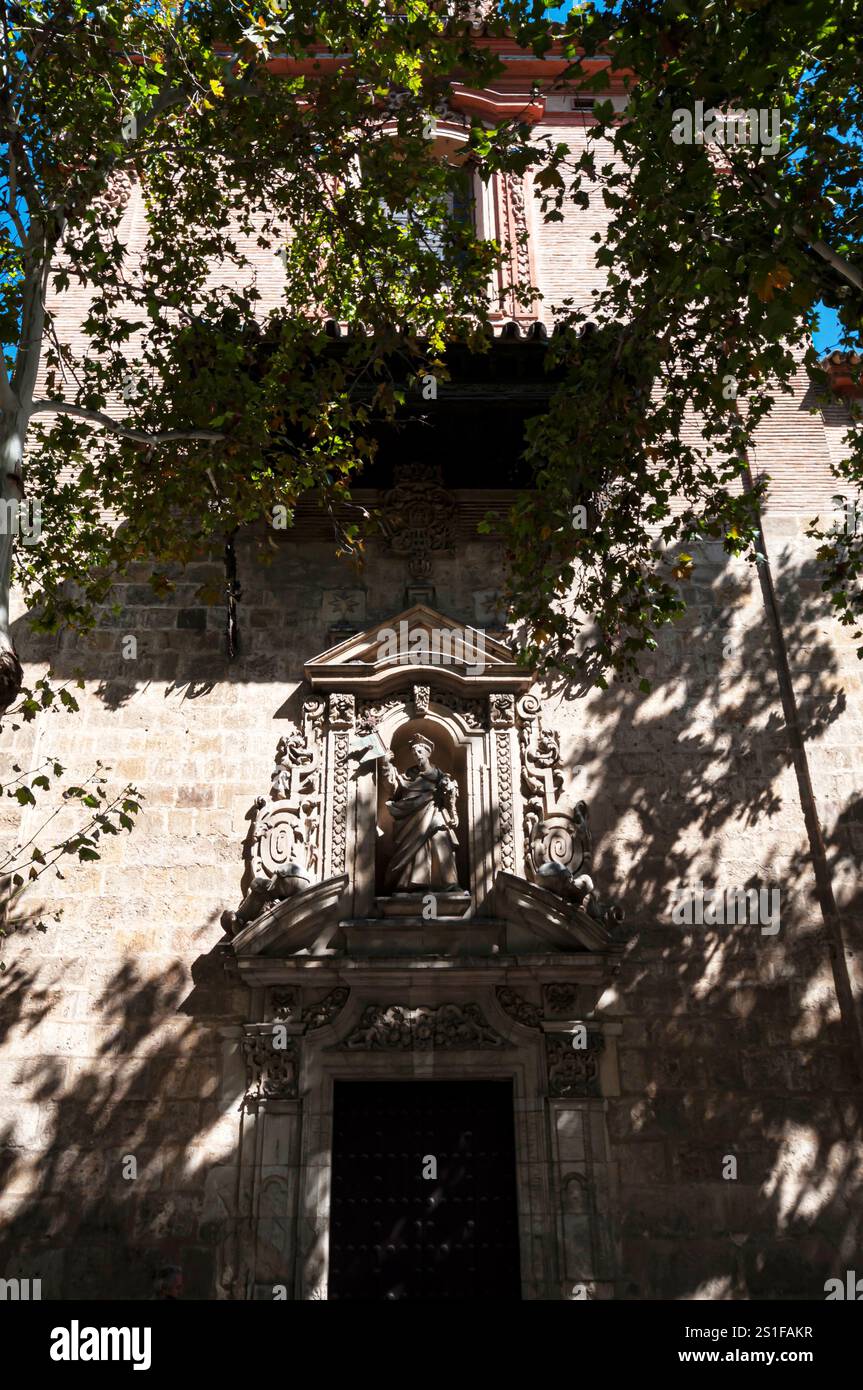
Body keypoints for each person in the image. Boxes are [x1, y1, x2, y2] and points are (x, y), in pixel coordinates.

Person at [382, 734, 461, 891]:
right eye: (414, 753)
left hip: (435, 813)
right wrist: (385, 764)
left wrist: (454, 814)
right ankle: (414, 885)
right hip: (412, 821)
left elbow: (450, 796)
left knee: (441, 838)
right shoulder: (408, 776)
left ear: (428, 753)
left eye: (419, 752)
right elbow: (392, 787)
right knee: (417, 849)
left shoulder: (440, 776)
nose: (416, 755)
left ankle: (450, 883)